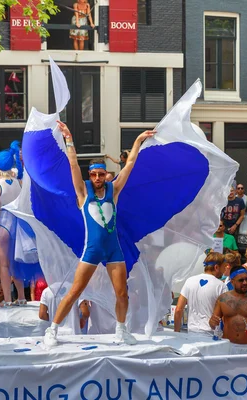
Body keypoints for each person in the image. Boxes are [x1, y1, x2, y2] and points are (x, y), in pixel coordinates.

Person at [43, 121, 155, 347]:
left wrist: (137, 141)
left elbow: (130, 164)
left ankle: (121, 331)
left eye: (101, 174)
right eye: (93, 175)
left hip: (113, 248)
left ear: (106, 175)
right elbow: (73, 164)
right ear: (90, 176)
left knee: (122, 293)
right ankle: (52, 330)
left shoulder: (113, 191)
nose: (97, 178)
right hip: (92, 249)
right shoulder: (83, 192)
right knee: (75, 291)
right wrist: (68, 138)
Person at [0, 143, 25, 303]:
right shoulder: (19, 182)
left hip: (3, 223)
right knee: (16, 262)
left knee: (4, 265)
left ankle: (8, 300)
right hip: (18, 223)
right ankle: (22, 297)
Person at [209, 266, 247, 355]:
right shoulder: (223, 299)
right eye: (241, 280)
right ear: (232, 282)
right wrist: (212, 322)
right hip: (228, 346)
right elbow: (213, 324)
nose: (245, 283)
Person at [174, 251, 227, 335]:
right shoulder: (221, 286)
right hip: (211, 336)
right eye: (224, 267)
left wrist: (176, 333)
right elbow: (225, 314)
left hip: (191, 334)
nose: (224, 271)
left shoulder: (189, 281)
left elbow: (178, 310)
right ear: (216, 267)